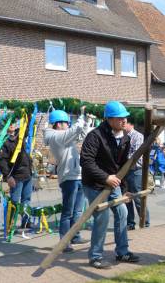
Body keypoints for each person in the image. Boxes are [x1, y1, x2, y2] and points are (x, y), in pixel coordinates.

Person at [80, 101, 140, 269]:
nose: (124, 121)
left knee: (122, 212)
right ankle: (95, 256)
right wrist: (106, 177)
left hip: (114, 184)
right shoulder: (95, 136)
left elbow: (123, 166)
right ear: (110, 119)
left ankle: (122, 252)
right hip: (94, 184)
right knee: (102, 216)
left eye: (125, 118)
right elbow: (86, 161)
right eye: (120, 118)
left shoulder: (125, 138)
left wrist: (125, 191)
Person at [43, 107, 91, 252]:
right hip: (68, 178)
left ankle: (75, 236)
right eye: (66, 123)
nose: (68, 125)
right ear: (58, 124)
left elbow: (81, 135)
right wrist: (81, 116)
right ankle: (64, 242)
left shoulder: (65, 135)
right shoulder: (54, 136)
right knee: (67, 212)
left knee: (77, 212)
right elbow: (73, 132)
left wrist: (87, 121)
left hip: (79, 175)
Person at [0, 119, 33, 229]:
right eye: (9, 123)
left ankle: (26, 222)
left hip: (27, 172)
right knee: (14, 201)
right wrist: (8, 176)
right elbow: (2, 161)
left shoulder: (19, 134)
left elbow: (27, 128)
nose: (12, 125)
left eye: (13, 122)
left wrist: (28, 115)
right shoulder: (3, 141)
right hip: (16, 176)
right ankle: (10, 225)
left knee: (26, 199)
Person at [124, 120, 150, 230]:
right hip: (124, 171)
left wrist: (121, 158)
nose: (123, 125)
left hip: (136, 171)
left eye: (125, 123)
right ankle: (130, 223)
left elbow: (136, 155)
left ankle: (145, 222)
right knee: (126, 198)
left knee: (138, 197)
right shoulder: (122, 137)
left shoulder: (138, 136)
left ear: (131, 124)